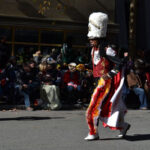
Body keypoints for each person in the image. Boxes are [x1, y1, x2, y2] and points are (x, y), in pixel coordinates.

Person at [84, 12, 130, 141]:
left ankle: (93, 133)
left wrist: (109, 75)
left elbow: (119, 63)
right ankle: (123, 126)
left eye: (93, 38)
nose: (90, 40)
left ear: (98, 38)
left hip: (105, 83)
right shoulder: (93, 50)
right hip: (97, 82)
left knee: (92, 108)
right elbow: (95, 65)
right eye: (90, 38)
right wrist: (85, 67)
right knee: (103, 109)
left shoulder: (107, 49)